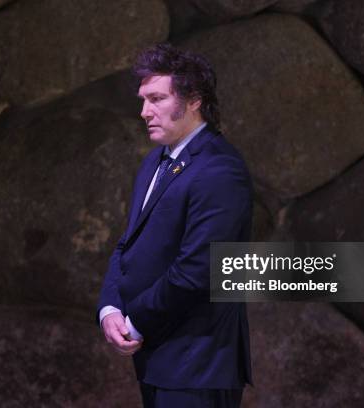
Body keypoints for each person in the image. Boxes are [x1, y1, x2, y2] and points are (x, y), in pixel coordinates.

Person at [97, 43, 253, 408]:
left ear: (194, 99)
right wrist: (109, 308)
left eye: (156, 99)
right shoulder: (155, 161)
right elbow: (128, 244)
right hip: (158, 359)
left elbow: (198, 271)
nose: (144, 112)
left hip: (198, 363)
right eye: (142, 100)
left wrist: (135, 322)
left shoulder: (219, 169)